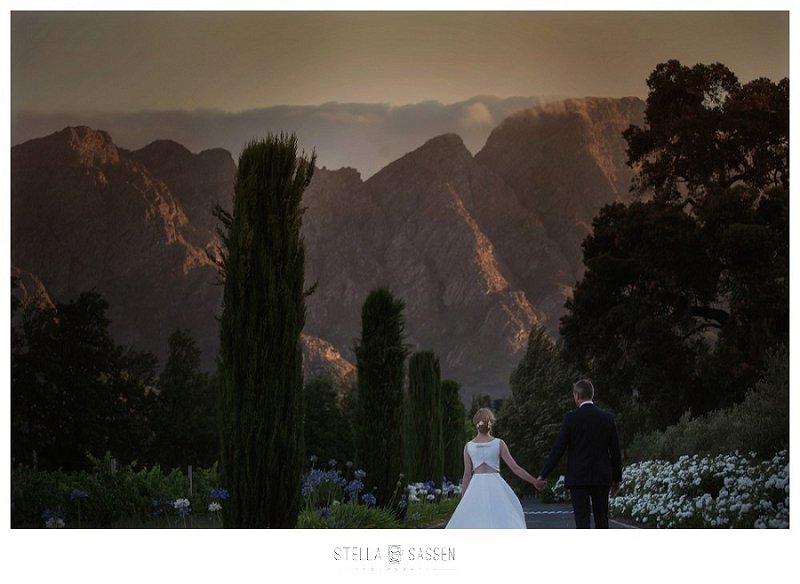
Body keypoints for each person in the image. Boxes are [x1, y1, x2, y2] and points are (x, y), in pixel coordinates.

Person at [536, 379, 622, 529]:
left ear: (577, 395)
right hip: (601, 477)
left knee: (582, 523)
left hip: (578, 478)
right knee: (602, 520)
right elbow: (615, 451)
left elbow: (559, 449)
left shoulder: (571, 418)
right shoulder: (607, 418)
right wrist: (616, 479)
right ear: (592, 395)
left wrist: (543, 474)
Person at [446, 407, 544, 529]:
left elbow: (467, 474)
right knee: (503, 517)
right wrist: (534, 481)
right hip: (497, 485)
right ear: (491, 423)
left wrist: (464, 499)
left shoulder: (469, 446)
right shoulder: (498, 443)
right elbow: (515, 468)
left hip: (475, 487)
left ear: (475, 424)